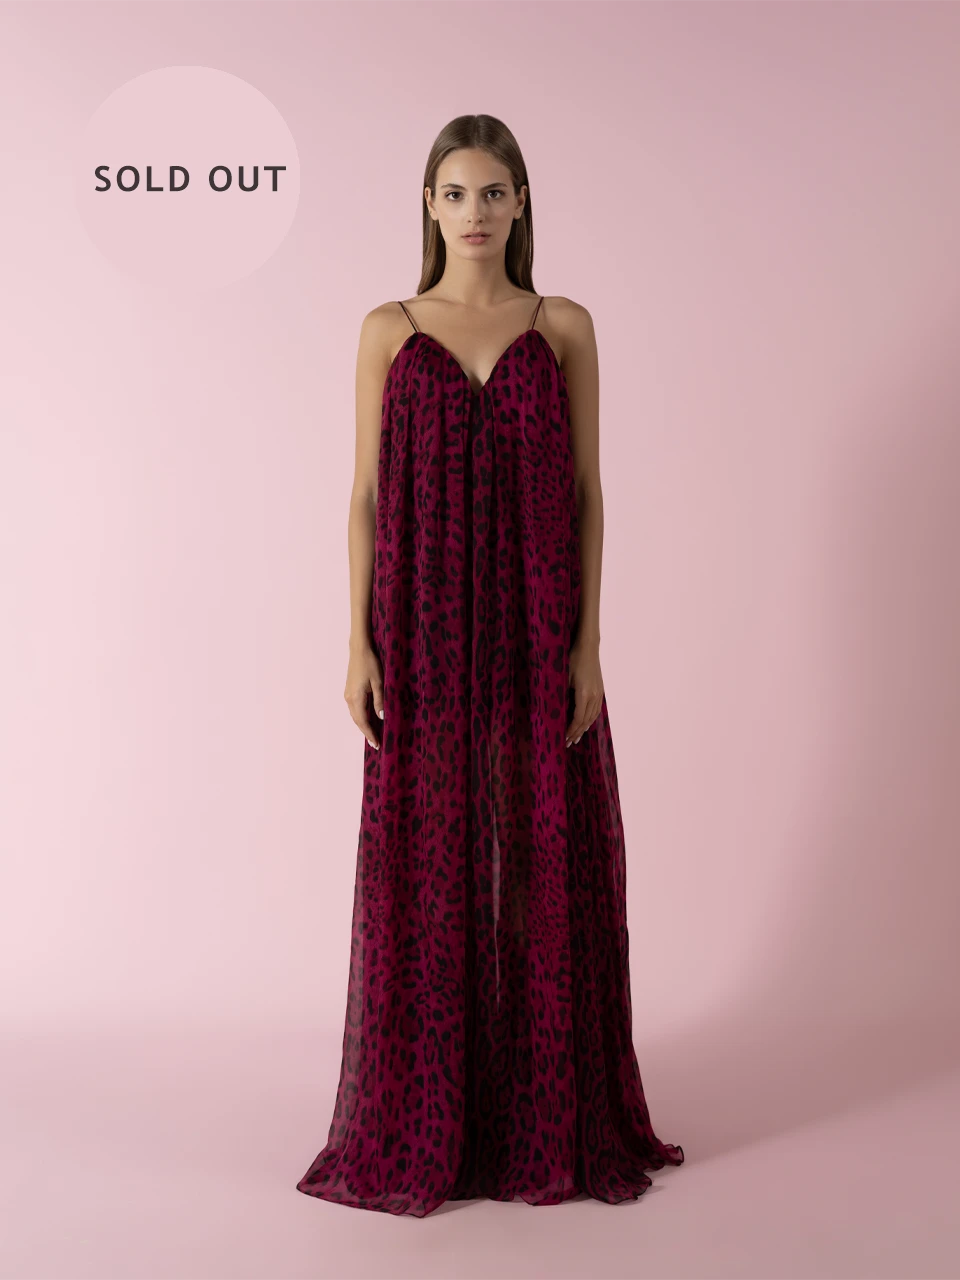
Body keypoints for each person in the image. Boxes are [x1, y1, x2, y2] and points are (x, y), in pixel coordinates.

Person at [296, 113, 684, 1217]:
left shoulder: (562, 327)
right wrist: (358, 641)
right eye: (457, 193)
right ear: (429, 205)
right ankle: (433, 1109)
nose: (476, 212)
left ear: (521, 205)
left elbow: (590, 492)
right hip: (420, 627)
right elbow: (365, 496)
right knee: (427, 855)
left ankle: (540, 1111)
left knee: (543, 852)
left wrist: (588, 644)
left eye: (495, 193)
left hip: (535, 623)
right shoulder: (387, 328)